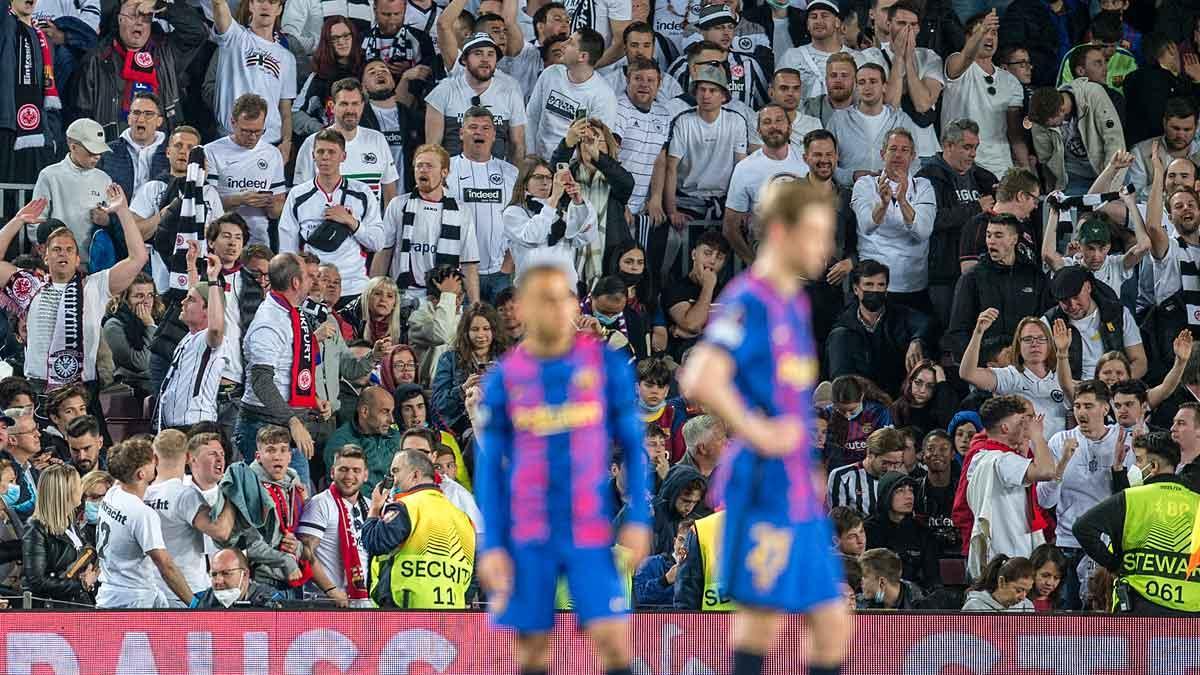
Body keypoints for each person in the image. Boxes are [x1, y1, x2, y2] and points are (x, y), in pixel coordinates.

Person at [679, 180, 851, 675]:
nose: (824, 248)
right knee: (760, 620)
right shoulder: (749, 299)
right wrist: (760, 434)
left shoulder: (793, 301)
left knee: (831, 621)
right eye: (815, 234)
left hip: (793, 483)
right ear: (780, 231)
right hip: (761, 483)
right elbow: (701, 375)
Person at [475, 264, 651, 675]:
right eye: (544, 300)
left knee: (613, 639)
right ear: (523, 309)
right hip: (528, 532)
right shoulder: (506, 378)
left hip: (588, 530)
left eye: (563, 299)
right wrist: (494, 545)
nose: (555, 308)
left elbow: (633, 445)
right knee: (533, 648)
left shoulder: (606, 366)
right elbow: (489, 468)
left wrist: (640, 517)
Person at [2, 185, 147, 396]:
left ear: (78, 259)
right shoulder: (32, 286)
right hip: (38, 386)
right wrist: (17, 221)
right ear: (45, 256)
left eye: (70, 250)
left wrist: (123, 212)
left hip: (82, 387)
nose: (64, 254)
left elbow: (138, 258)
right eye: (57, 249)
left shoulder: (95, 286)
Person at [1073, 431, 1200, 615]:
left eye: (1139, 460)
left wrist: (1114, 564)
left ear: (1154, 466)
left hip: (1139, 606)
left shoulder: (1131, 498)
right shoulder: (1197, 502)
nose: (1134, 466)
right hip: (1192, 610)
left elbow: (1082, 528)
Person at [1036, 380, 1131, 609]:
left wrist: (1118, 469)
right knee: (1067, 619)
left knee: (1100, 616)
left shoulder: (1123, 440)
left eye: (1088, 406)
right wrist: (1063, 463)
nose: (1081, 412)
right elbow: (1044, 499)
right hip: (1067, 544)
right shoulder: (1060, 441)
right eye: (1077, 406)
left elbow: (1130, 501)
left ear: (1105, 408)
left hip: (1104, 547)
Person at [237, 253, 325, 486]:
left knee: (299, 504)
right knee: (267, 508)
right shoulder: (269, 322)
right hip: (263, 428)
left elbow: (291, 367)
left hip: (287, 424)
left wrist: (311, 399)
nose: (312, 281)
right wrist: (294, 421)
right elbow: (262, 382)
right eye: (307, 276)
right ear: (295, 282)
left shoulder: (291, 312)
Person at [69, 0, 206, 140]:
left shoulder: (166, 51)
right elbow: (82, 117)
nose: (139, 22)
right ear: (119, 19)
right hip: (115, 150)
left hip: (162, 149)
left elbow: (197, 33)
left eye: (145, 16)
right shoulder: (95, 60)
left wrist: (161, 7)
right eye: (133, 16)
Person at [952, 395, 1056, 578]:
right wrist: (1038, 436)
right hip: (1009, 559)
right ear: (1005, 427)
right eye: (1022, 421)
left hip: (998, 557)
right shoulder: (1001, 460)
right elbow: (1047, 471)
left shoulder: (983, 455)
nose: (1027, 425)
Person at [361, 449, 476, 608]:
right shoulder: (464, 518)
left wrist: (374, 508)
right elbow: (474, 576)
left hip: (407, 616)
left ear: (415, 475)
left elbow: (375, 542)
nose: (392, 479)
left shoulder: (406, 507)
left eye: (395, 471)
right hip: (453, 615)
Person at [279, 128, 386, 298]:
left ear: (343, 156)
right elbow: (287, 250)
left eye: (331, 152)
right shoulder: (297, 195)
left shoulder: (362, 193)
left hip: (354, 287)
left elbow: (378, 242)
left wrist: (351, 222)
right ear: (313, 155)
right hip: (313, 289)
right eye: (320, 152)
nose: (326, 157)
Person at [375, 144, 482, 305]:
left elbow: (469, 263)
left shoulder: (462, 211)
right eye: (419, 166)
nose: (423, 170)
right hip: (404, 296)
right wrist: (372, 291)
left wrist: (475, 304)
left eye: (429, 166)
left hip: (444, 298)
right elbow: (384, 251)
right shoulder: (398, 205)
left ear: (444, 172)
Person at [916, 119, 998, 322]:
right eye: (967, 147)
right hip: (944, 274)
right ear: (947, 146)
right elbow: (932, 220)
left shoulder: (984, 178)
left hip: (981, 272)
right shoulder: (927, 177)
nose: (973, 154)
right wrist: (975, 208)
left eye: (975, 148)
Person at [95, 439, 195, 607]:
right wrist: (194, 604)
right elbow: (166, 565)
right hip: (133, 602)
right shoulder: (142, 514)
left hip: (109, 594)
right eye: (151, 461)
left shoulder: (112, 493)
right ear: (141, 474)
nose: (156, 462)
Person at [850, 127, 937, 314]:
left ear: (913, 156)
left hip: (912, 284)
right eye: (893, 149)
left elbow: (922, 232)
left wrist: (903, 200)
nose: (898, 154)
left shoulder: (924, 186)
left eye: (904, 150)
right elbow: (866, 226)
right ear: (882, 153)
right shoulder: (864, 185)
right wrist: (883, 204)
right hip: (873, 285)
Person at [144, 430, 234, 607]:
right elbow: (221, 531)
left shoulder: (143, 493)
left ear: (154, 457)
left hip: (152, 591)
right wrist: (231, 494)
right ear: (187, 457)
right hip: (187, 592)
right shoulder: (185, 495)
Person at [946, 215, 1053, 361]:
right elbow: (957, 333)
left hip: (1028, 362)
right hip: (986, 366)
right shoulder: (971, 278)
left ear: (1014, 239)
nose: (991, 241)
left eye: (998, 235)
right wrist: (990, 357)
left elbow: (1045, 322)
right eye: (988, 235)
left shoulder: (1034, 276)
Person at [444, 106, 520, 303]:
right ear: (461, 133)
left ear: (494, 135)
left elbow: (522, 222)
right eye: (473, 127)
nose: (479, 132)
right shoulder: (446, 170)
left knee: (502, 332)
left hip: (500, 273)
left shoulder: (511, 173)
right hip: (460, 273)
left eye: (486, 128)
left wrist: (507, 265)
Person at [663, 65, 750, 237]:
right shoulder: (683, 121)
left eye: (713, 90)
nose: (706, 95)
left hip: (724, 199)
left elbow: (741, 167)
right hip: (687, 199)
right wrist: (672, 210)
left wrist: (742, 207)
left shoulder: (736, 121)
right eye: (702, 89)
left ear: (724, 96)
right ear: (695, 93)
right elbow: (670, 168)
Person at [826, 260, 934, 396]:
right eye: (869, 285)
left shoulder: (899, 313)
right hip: (861, 397)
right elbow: (841, 376)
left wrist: (917, 340)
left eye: (880, 285)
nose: (875, 290)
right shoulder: (842, 328)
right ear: (855, 289)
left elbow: (926, 323)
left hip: (899, 394)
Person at [941, 11, 1029, 175]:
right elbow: (966, 57)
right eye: (983, 31)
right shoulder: (956, 62)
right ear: (968, 38)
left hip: (1000, 166)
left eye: (994, 33)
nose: (989, 37)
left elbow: (1015, 135)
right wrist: (983, 29)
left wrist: (1026, 169)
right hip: (960, 166)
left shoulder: (1010, 81)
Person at [294, 78, 401, 211]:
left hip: (370, 229)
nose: (350, 110)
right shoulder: (312, 143)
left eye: (355, 104)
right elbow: (300, 196)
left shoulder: (377, 140)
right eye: (344, 104)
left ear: (362, 106)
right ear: (332, 107)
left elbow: (390, 193)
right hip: (325, 227)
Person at [551, 118, 634, 287]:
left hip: (610, 255)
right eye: (585, 141)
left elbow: (627, 184)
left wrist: (597, 155)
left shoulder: (616, 175)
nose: (589, 145)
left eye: (597, 141)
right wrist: (568, 142)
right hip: (572, 256)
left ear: (608, 145)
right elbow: (554, 169)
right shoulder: (569, 173)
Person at [722, 104, 810, 264]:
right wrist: (752, 262)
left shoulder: (807, 162)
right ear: (758, 130)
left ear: (790, 127)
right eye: (767, 122)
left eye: (779, 121)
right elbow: (730, 227)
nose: (774, 126)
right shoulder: (745, 168)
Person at [211, 0, 296, 157]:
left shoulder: (287, 58)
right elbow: (218, 4)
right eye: (260, 1)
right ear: (250, 5)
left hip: (269, 143)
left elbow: (285, 109)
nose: (265, 6)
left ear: (279, 9)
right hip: (229, 140)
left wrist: (287, 141)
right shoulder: (234, 37)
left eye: (272, 2)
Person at [426, 34, 526, 164]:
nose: (485, 59)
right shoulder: (442, 92)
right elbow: (433, 148)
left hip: (497, 176)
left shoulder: (510, 93)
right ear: (464, 60)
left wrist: (515, 181)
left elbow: (517, 146)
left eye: (491, 54)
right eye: (478, 53)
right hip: (453, 176)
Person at [203, 94, 287, 247]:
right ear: (233, 123)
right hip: (220, 239)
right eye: (246, 131)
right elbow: (206, 204)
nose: (253, 137)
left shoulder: (272, 154)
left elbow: (278, 208)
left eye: (258, 131)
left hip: (258, 241)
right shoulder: (211, 151)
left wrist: (272, 206)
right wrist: (241, 199)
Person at [502, 157, 598, 290]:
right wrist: (553, 200)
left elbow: (584, 238)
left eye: (549, 177)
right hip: (532, 290)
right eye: (538, 177)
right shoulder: (513, 213)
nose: (545, 182)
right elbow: (533, 237)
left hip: (565, 288)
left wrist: (578, 202)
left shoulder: (560, 213)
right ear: (524, 182)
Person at [30, 119, 114, 266]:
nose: (97, 156)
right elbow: (35, 221)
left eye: (99, 151)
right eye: (91, 151)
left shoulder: (104, 179)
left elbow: (115, 225)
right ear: (73, 146)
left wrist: (108, 220)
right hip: (57, 265)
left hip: (95, 265)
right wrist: (50, 257)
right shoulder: (50, 175)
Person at [525, 28, 618, 160]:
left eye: (570, 43)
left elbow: (598, 143)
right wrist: (530, 154)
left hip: (573, 169)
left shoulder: (604, 96)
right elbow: (531, 116)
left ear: (583, 56)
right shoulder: (550, 73)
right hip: (539, 162)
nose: (562, 45)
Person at [157, 260, 228, 430]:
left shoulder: (211, 338)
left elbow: (216, 328)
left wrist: (213, 280)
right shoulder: (190, 336)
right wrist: (190, 265)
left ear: (207, 309)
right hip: (177, 428)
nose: (183, 303)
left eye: (189, 300)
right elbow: (197, 294)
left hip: (197, 427)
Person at [298, 444, 372, 607]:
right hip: (325, 601)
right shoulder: (320, 504)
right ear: (332, 472)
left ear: (365, 475)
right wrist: (331, 591)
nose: (349, 476)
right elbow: (305, 553)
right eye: (343, 469)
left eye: (356, 471)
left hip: (361, 600)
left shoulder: (370, 506)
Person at [1026, 80, 1126, 193]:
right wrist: (1053, 188)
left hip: (1107, 169)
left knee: (1113, 206)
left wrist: (1111, 185)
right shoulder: (1041, 116)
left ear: (1061, 110)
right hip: (1074, 176)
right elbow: (1046, 158)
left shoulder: (1093, 94)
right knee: (1074, 208)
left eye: (1052, 125)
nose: (1048, 128)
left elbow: (1114, 141)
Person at [21, 465, 96, 607]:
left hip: (77, 602)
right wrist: (80, 584)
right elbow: (37, 582)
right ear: (65, 492)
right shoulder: (35, 529)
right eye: (78, 484)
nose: (82, 489)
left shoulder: (70, 521)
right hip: (54, 609)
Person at [432, 303, 508, 436]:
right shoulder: (449, 359)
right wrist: (463, 389)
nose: (481, 334)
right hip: (462, 428)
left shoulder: (506, 358)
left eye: (486, 328)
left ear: (494, 331)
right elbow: (439, 404)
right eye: (475, 329)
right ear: (466, 332)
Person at [612, 58, 671, 220]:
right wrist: (619, 203)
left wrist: (656, 199)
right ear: (627, 80)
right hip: (615, 203)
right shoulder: (617, 107)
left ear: (659, 84)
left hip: (641, 206)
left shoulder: (664, 114)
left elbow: (659, 160)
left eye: (650, 80)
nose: (644, 84)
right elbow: (609, 158)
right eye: (638, 78)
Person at [863, 470, 939, 589]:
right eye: (900, 491)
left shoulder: (922, 532)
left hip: (914, 600)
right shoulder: (868, 530)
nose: (909, 496)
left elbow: (932, 579)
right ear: (886, 495)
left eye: (911, 491)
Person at [291, 18, 367, 137]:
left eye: (346, 36)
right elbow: (295, 113)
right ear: (327, 42)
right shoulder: (318, 75)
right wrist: (322, 130)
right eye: (335, 38)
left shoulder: (368, 68)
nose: (342, 42)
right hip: (331, 143)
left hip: (365, 137)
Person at [323, 387, 401, 496]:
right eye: (385, 412)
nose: (391, 420)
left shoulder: (393, 435)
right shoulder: (341, 442)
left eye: (392, 412)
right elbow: (347, 487)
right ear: (365, 411)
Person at [95, 92, 169, 202]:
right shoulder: (107, 152)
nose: (141, 119)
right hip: (115, 217)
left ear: (159, 121)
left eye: (148, 114)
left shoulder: (171, 153)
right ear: (129, 118)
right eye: (136, 113)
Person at [828, 427, 906, 515]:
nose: (891, 469)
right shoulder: (842, 476)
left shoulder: (901, 479)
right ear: (870, 454)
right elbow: (839, 522)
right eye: (886, 463)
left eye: (896, 463)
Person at [915, 429, 962, 557]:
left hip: (959, 556)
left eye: (943, 449)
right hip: (925, 558)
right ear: (923, 455)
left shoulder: (964, 490)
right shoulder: (914, 489)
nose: (936, 453)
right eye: (931, 449)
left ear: (953, 454)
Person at [190, 548, 284, 608]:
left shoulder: (271, 602)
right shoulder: (202, 600)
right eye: (214, 574)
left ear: (245, 574)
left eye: (226, 573)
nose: (218, 581)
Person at [632, 518, 690, 609]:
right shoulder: (650, 563)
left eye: (688, 542)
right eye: (681, 540)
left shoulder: (700, 570)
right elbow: (639, 598)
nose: (682, 546)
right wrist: (665, 580)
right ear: (674, 542)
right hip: (653, 622)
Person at [889, 360, 956, 435]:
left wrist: (942, 383)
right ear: (910, 381)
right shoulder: (897, 407)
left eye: (930, 386)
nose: (922, 390)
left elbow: (948, 425)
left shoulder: (939, 408)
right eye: (918, 383)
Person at [855, 547, 926, 610]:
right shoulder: (858, 603)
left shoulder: (922, 607)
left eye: (864, 577)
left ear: (882, 582)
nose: (861, 582)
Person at [961, 554, 1035, 611]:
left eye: (1027, 591)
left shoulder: (1027, 606)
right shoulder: (974, 607)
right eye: (1018, 591)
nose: (1023, 597)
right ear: (1001, 582)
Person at [1027, 543, 1067, 612]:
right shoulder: (1019, 601)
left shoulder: (1062, 605)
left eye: (1056, 578)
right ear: (1033, 571)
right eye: (1045, 576)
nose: (1050, 583)